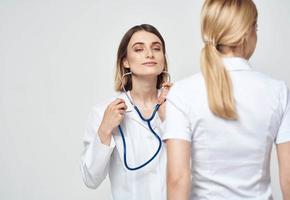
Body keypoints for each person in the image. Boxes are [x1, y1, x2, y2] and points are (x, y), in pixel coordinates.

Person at [164, 0, 290, 199]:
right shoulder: (278, 91)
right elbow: (288, 178)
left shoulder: (182, 92)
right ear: (247, 33)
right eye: (255, 27)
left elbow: (177, 179)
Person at [80, 24, 171, 200]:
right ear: (125, 61)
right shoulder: (103, 112)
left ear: (163, 59)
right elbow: (90, 179)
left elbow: (201, 167)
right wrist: (105, 130)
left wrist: (170, 120)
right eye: (139, 49)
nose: (149, 54)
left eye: (156, 48)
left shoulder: (179, 105)